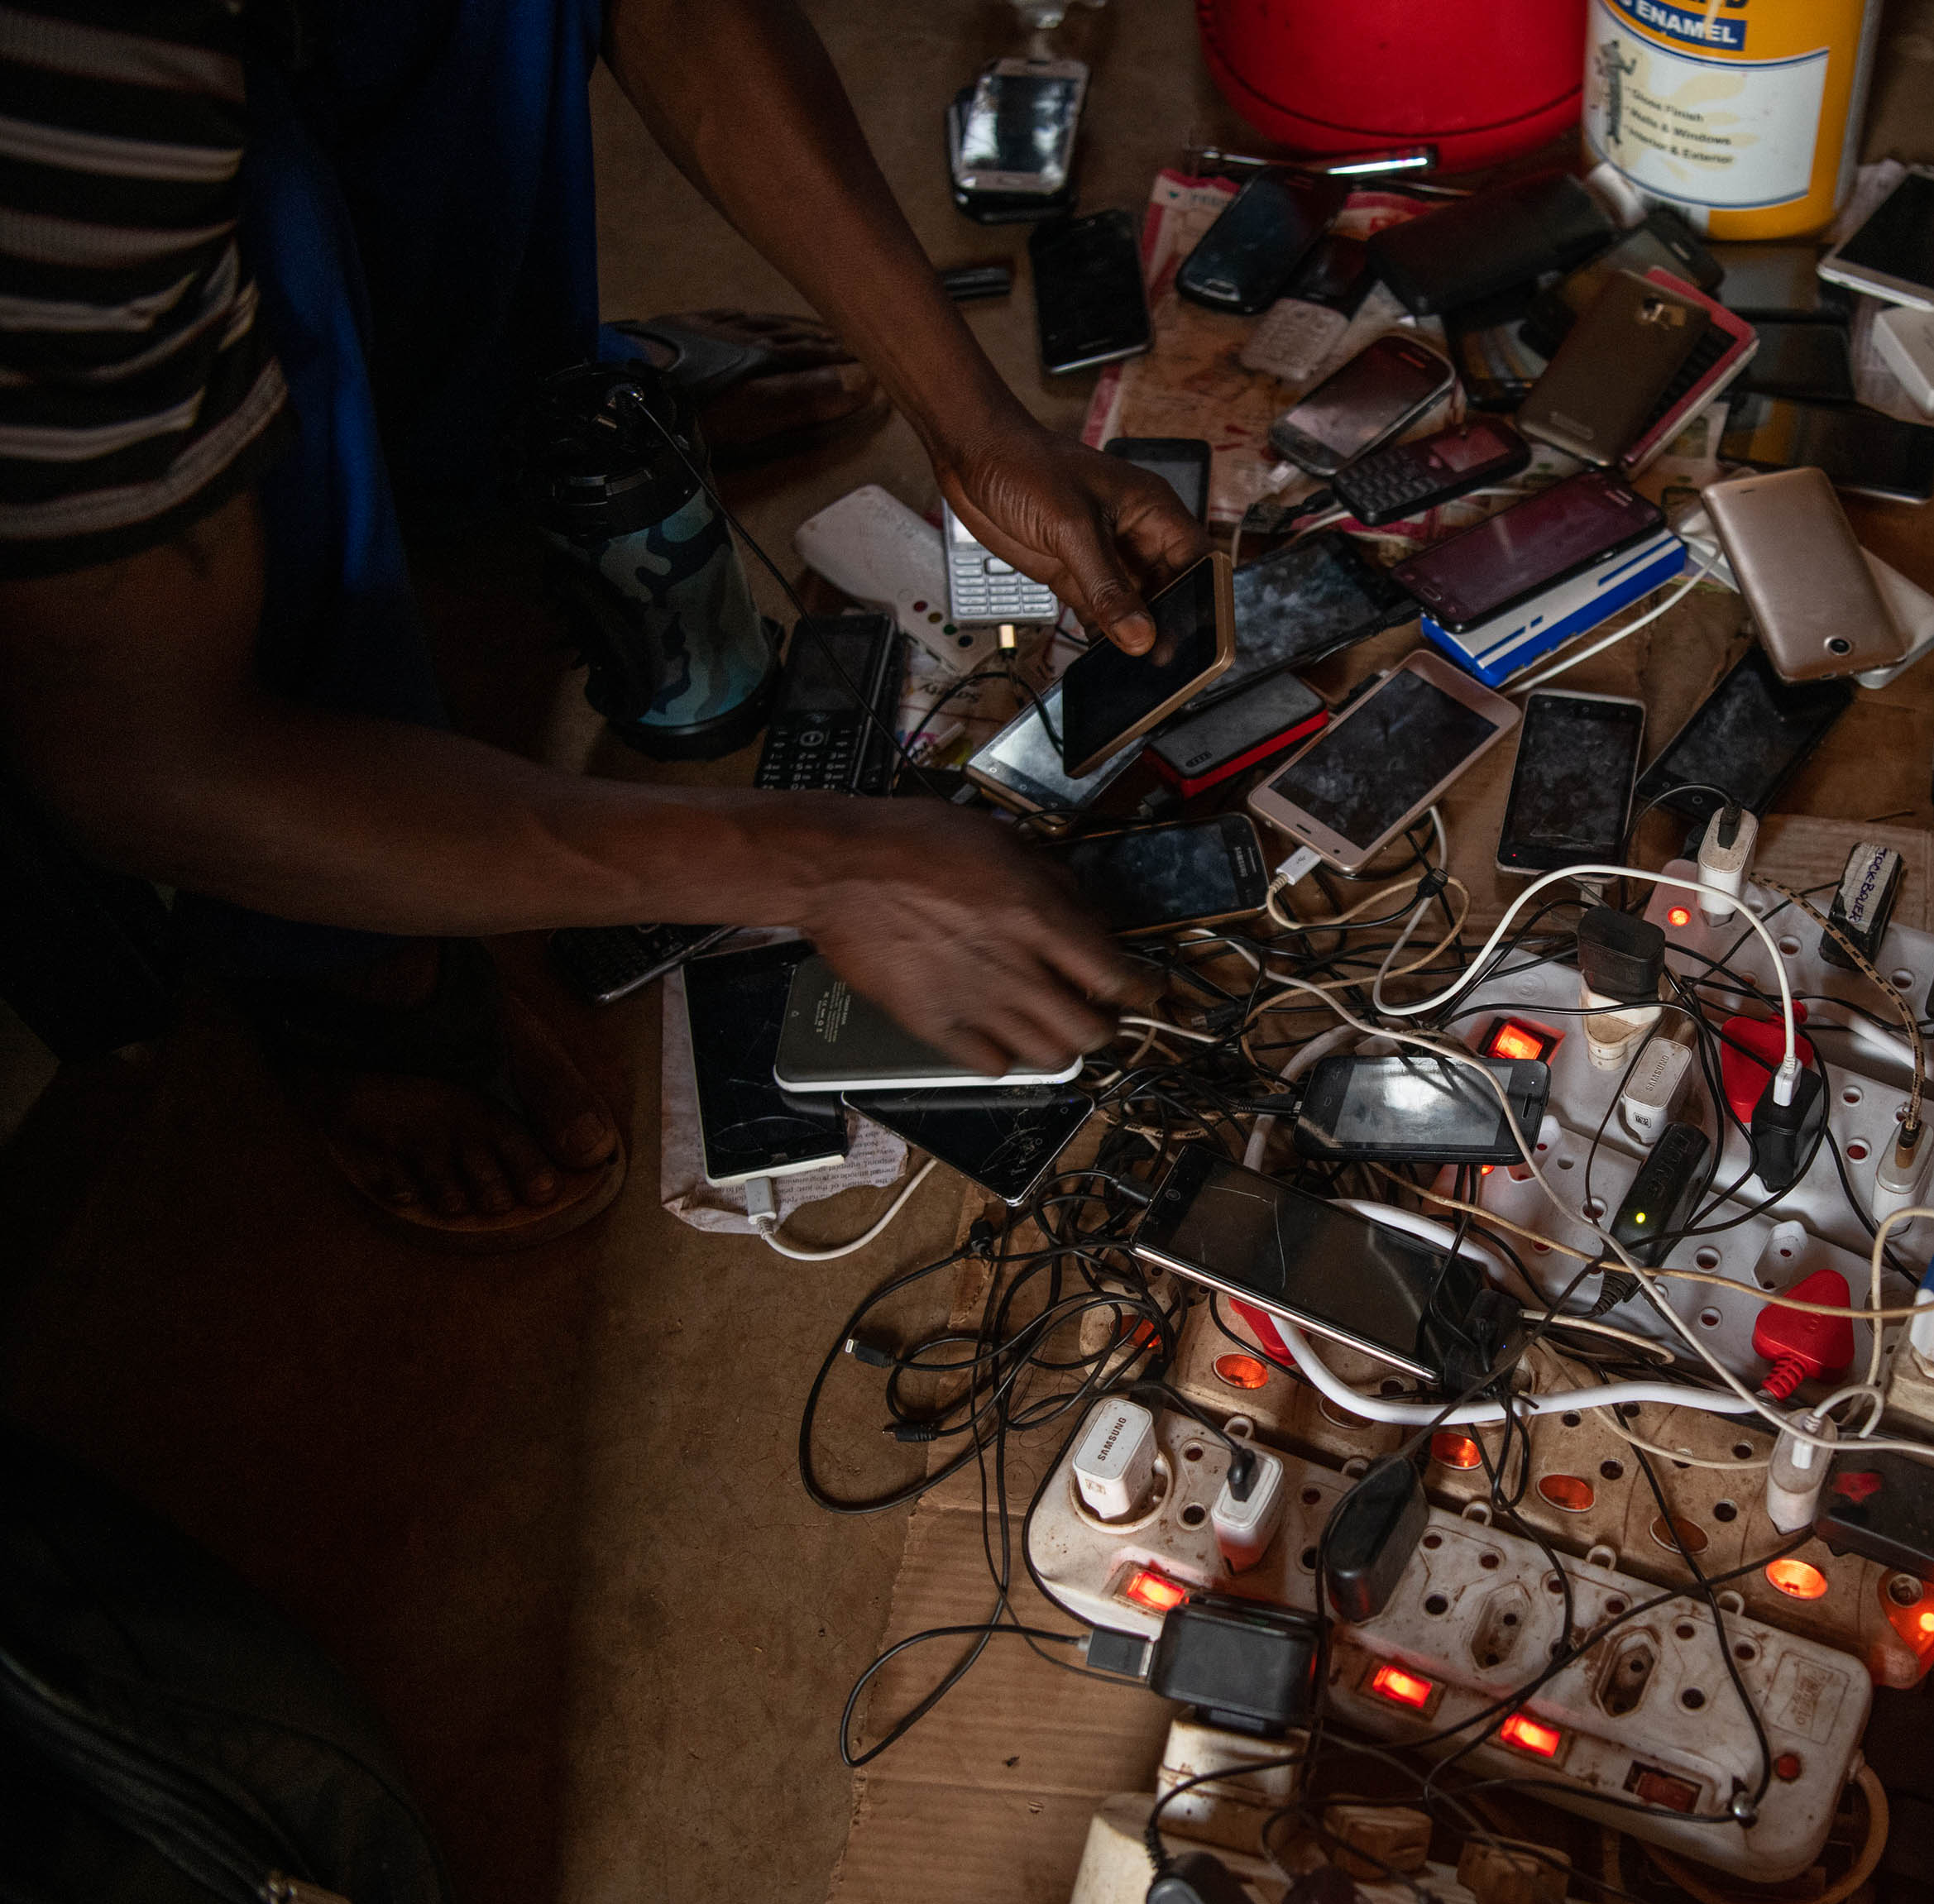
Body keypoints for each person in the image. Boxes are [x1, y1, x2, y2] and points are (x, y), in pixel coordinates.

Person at [0, 0, 1206, 1244]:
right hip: (90, 275)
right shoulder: (70, 120)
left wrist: (976, 427)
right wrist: (831, 866)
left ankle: (536, 425)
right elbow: (144, 763)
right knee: (277, 227)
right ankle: (340, 958)